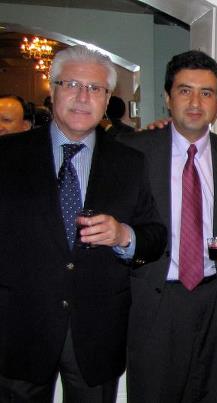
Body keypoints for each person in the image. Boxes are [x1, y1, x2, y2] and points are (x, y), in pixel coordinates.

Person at [0, 45, 166, 402]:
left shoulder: (129, 162)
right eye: (72, 84)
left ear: (107, 99)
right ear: (52, 90)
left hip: (97, 332)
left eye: (95, 88)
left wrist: (124, 236)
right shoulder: (7, 156)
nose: (82, 97)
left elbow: (155, 236)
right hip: (19, 328)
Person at [117, 50, 217, 402]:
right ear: (167, 98)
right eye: (184, 91)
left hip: (213, 300)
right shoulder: (132, 151)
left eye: (206, 93)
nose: (195, 102)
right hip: (154, 300)